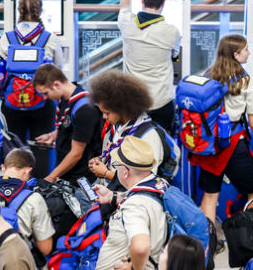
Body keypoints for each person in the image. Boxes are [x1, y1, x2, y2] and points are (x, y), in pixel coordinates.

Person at [189, 34, 253, 225]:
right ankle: (250, 237)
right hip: (233, 144)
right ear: (236, 54)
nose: (248, 53)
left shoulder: (207, 75)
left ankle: (208, 242)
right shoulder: (246, 82)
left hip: (209, 145)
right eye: (245, 50)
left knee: (210, 195)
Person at [0, 0, 65, 179]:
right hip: (42, 101)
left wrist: (4, 95)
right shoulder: (50, 38)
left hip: (11, 102)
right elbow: (59, 70)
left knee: (13, 147)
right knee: (40, 146)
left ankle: (14, 186)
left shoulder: (7, 38)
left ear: (18, 11)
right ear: (40, 11)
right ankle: (39, 188)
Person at [88, 70, 170, 220]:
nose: (104, 117)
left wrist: (106, 174)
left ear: (122, 108)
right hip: (116, 198)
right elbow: (119, 154)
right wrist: (102, 158)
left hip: (137, 211)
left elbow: (147, 185)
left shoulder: (148, 137)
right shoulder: (120, 126)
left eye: (107, 113)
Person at [117, 0, 181, 133]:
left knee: (132, 150)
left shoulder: (127, 23)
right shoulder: (172, 32)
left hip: (133, 103)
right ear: (164, 3)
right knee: (161, 148)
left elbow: (124, 5)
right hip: (161, 103)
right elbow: (175, 54)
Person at [93, 136, 167, 270]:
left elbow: (141, 247)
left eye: (116, 166)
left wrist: (132, 268)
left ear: (125, 172)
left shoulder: (134, 207)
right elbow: (144, 197)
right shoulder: (159, 183)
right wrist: (112, 196)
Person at [33, 64, 101, 186]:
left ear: (57, 85)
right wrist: (52, 136)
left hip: (81, 180)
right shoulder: (66, 99)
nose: (44, 98)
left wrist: (50, 178)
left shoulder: (84, 110)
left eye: (46, 93)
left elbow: (76, 153)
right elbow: (70, 128)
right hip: (66, 175)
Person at [0, 148, 55, 256]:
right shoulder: (34, 198)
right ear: (28, 171)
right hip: (18, 260)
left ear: (3, 168)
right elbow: (45, 248)